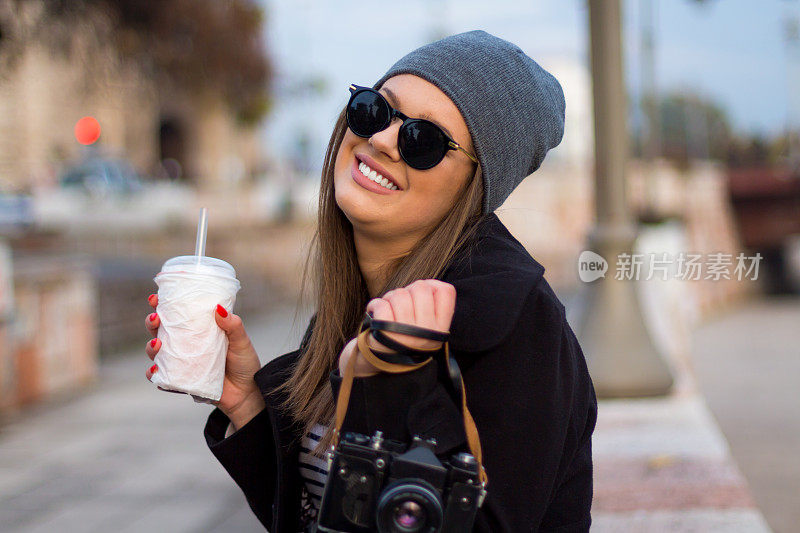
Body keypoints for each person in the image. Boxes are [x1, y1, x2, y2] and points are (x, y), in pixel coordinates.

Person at [144, 30, 597, 532]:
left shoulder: (514, 324)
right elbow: (315, 516)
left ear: (476, 187)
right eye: (375, 111)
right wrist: (249, 405)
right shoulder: (362, 302)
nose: (381, 140)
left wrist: (393, 382)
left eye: (423, 140)